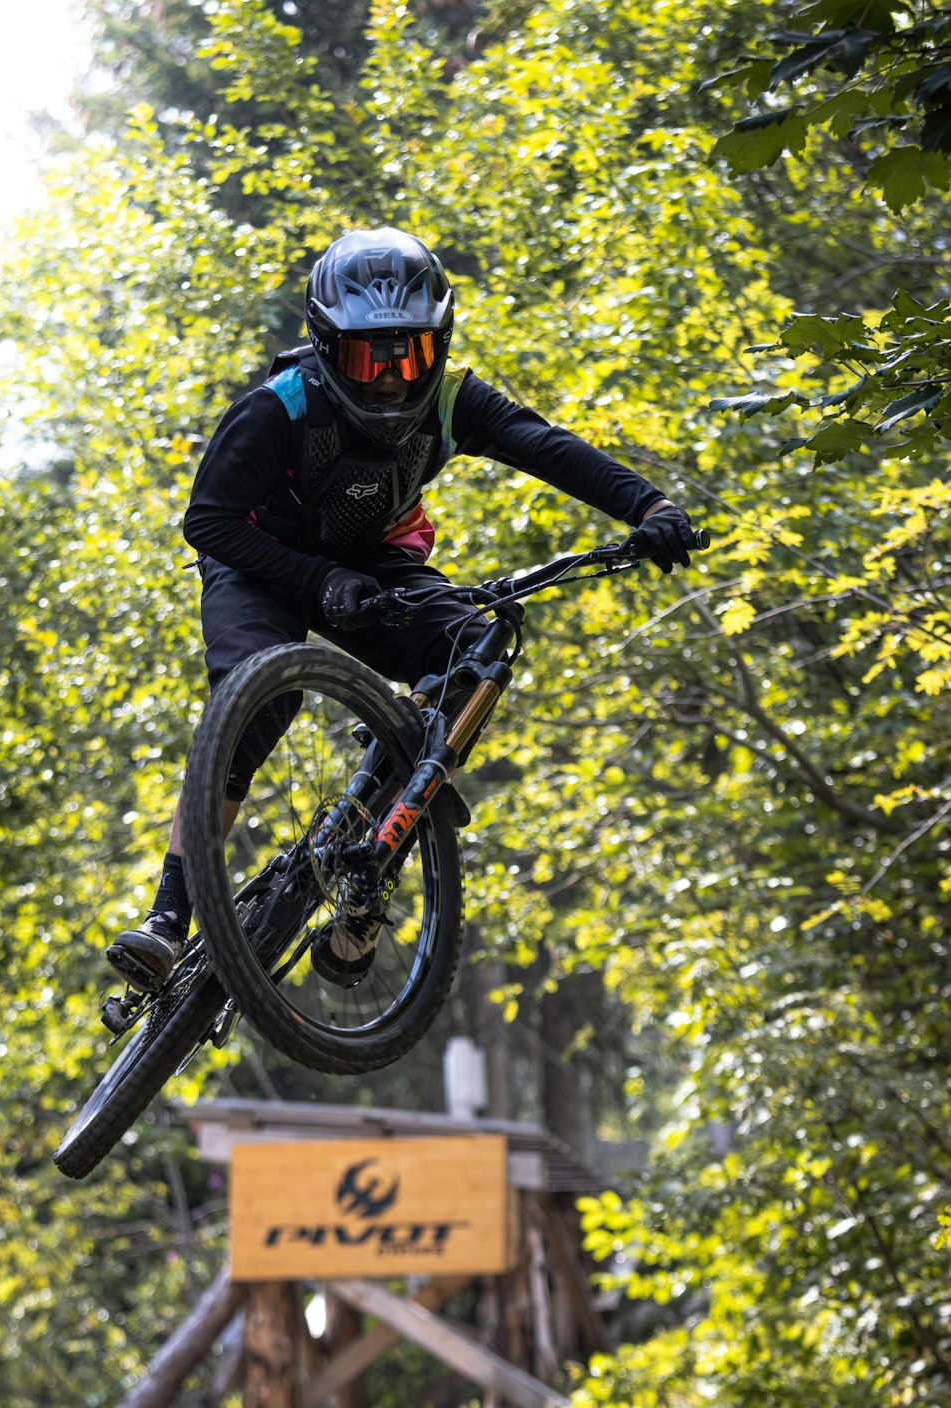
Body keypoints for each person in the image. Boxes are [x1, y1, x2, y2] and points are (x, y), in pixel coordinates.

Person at [108, 226, 698, 992]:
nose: (389, 382)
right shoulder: (279, 408)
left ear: (439, 344)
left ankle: (370, 863)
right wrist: (316, 581)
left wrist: (648, 505)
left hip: (372, 559)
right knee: (252, 701)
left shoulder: (453, 401)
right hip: (258, 561)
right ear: (326, 348)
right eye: (367, 359)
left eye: (409, 357)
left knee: (474, 651)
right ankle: (168, 917)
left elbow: (545, 446)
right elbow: (208, 522)